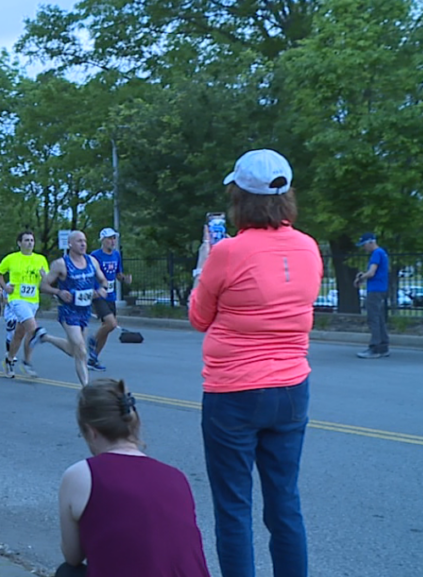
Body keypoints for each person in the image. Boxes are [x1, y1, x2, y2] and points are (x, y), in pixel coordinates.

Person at [189, 149, 321, 577]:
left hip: (234, 393)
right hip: (291, 389)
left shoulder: (228, 253)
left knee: (233, 509)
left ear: (239, 197)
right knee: (285, 503)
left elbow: (198, 318)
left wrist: (204, 265)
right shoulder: (308, 247)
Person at [57, 379, 211, 577]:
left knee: (68, 572)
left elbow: (73, 556)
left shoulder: (81, 475)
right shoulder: (176, 477)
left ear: (91, 431)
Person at [36, 231, 109, 387]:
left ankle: (45, 337)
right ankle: (86, 388)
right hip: (68, 312)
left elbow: (104, 281)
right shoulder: (61, 264)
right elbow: (43, 285)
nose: (83, 244)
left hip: (85, 311)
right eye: (79, 241)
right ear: (70, 244)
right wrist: (59, 292)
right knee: (81, 350)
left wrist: (102, 290)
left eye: (84, 241)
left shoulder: (92, 261)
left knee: (73, 350)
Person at [0, 231, 49, 378]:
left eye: (32, 240)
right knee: (32, 328)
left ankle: (8, 359)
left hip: (33, 301)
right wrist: (5, 287)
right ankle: (27, 362)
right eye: (26, 240)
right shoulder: (12, 258)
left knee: (20, 333)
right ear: (19, 243)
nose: (30, 243)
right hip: (17, 299)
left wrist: (45, 278)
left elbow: (46, 280)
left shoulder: (40, 259)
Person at [87, 229, 132, 372]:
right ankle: (92, 340)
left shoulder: (116, 255)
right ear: (102, 240)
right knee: (111, 324)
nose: (112, 241)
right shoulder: (95, 256)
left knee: (107, 328)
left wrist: (125, 279)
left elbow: (118, 274)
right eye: (109, 238)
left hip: (111, 295)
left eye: (114, 238)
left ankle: (93, 358)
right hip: (99, 294)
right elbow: (88, 273)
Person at [355, 232, 390, 359]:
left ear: (371, 242)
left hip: (375, 290)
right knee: (379, 318)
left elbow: (371, 273)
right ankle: (383, 346)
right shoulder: (382, 253)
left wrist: (361, 278)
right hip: (382, 289)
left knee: (373, 318)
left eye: (364, 244)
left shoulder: (376, 253)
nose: (364, 248)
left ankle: (375, 348)